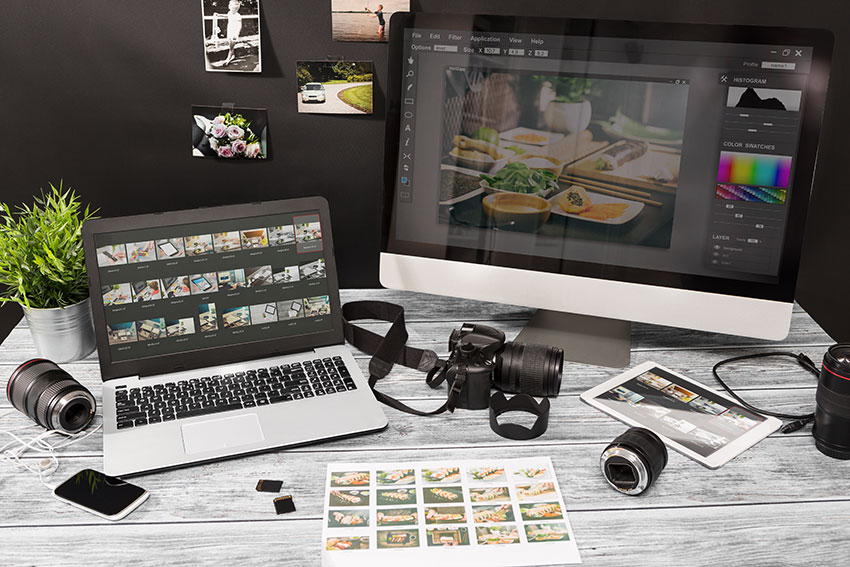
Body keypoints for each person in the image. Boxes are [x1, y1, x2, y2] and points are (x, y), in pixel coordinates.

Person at [212, 0, 243, 66]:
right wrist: (219, 15)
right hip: (230, 30)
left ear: (237, 8)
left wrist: (237, 33)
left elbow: (239, 25)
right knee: (230, 45)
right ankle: (233, 55)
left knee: (231, 47)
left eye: (235, 8)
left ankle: (227, 60)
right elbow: (227, 16)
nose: (233, 9)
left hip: (234, 32)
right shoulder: (229, 13)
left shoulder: (238, 16)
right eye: (231, 7)